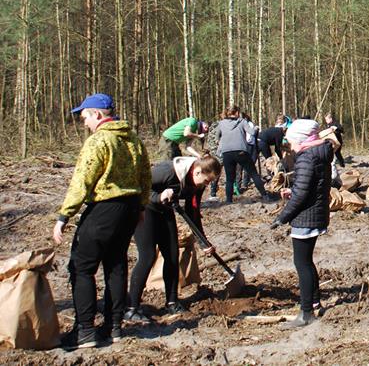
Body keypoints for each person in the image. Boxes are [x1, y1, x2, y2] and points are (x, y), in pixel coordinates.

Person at [53, 93, 152, 349]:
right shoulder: (133, 139)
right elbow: (145, 176)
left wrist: (65, 215)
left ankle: (85, 330)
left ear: (97, 114)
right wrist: (140, 207)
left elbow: (82, 179)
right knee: (116, 265)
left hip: (104, 209)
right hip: (130, 209)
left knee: (82, 267)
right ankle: (114, 326)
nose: (83, 122)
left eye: (84, 116)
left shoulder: (99, 141)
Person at [125, 155, 222, 321]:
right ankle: (131, 307)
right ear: (197, 171)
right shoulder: (167, 171)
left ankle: (172, 302)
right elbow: (138, 186)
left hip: (165, 211)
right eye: (206, 181)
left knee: (172, 255)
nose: (206, 186)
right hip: (144, 211)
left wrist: (203, 242)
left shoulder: (197, 184)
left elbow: (193, 212)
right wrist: (159, 196)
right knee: (147, 257)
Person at [270, 119, 338, 329]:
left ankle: (306, 313)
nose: (289, 144)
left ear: (299, 139)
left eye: (290, 140)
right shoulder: (319, 153)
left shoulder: (307, 157)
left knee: (302, 263)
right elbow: (311, 185)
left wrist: (283, 217)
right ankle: (315, 301)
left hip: (306, 215)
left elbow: (301, 195)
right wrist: (294, 191)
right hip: (314, 212)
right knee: (306, 261)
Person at [213, 106, 276, 204]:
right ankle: (265, 196)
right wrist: (256, 128)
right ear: (237, 112)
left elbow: (217, 138)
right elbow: (252, 132)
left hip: (227, 153)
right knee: (254, 174)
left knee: (229, 178)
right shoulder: (242, 121)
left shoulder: (221, 123)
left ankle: (229, 201)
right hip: (241, 151)